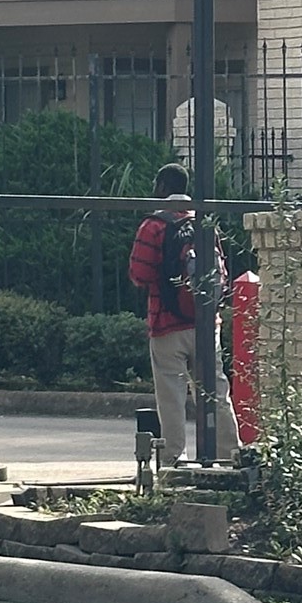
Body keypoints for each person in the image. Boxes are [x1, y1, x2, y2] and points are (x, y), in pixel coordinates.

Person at [128, 162, 242, 464]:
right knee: (216, 392)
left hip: (166, 325)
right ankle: (230, 457)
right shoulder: (206, 223)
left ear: (163, 187)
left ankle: (172, 461)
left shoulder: (153, 226)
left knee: (171, 397)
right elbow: (223, 275)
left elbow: (139, 273)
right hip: (205, 325)